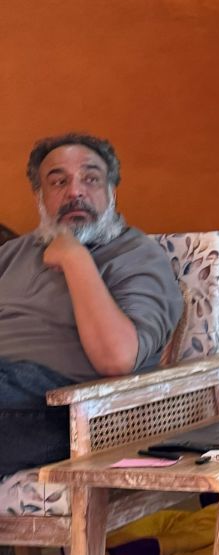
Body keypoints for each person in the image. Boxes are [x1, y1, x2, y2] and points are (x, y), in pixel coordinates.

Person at [0, 135, 183, 474]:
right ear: (40, 197)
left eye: (91, 179)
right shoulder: (12, 254)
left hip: (68, 410)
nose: (75, 192)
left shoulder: (136, 255)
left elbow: (117, 358)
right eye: (58, 182)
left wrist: (75, 259)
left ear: (112, 191)